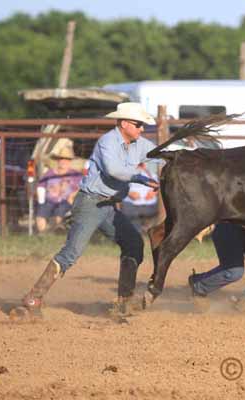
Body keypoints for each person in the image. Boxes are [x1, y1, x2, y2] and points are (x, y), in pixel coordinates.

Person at [12, 102, 160, 319]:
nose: (142, 129)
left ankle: (123, 301)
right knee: (71, 253)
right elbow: (114, 170)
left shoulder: (138, 143)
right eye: (139, 125)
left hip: (108, 206)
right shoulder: (107, 141)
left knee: (133, 243)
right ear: (125, 123)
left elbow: (159, 151)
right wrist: (139, 177)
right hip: (90, 203)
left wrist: (185, 150)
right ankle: (33, 297)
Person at [35, 146, 82, 233]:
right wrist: (40, 199)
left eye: (67, 159)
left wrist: (73, 196)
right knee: (41, 213)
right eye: (61, 159)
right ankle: (43, 235)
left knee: (60, 211)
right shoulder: (49, 173)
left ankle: (58, 231)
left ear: (70, 161)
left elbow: (82, 188)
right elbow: (41, 186)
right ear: (57, 160)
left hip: (66, 202)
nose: (63, 161)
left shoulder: (76, 175)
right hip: (49, 201)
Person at [119, 162, 158, 229]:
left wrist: (153, 193)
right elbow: (120, 186)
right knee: (131, 225)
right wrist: (129, 193)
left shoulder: (152, 175)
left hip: (148, 206)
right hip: (131, 204)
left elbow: (157, 187)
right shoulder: (126, 174)